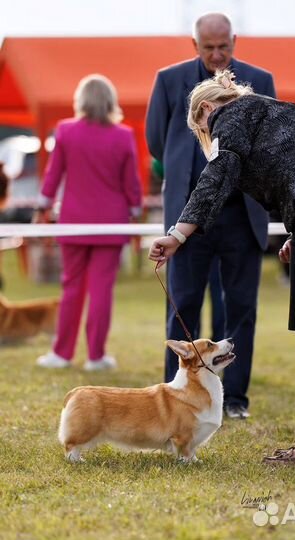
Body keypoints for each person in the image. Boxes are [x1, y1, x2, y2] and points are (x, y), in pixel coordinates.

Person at [149, 70, 295, 465]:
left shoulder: (229, 117)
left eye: (203, 128)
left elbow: (217, 177)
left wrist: (177, 235)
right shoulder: (278, 109)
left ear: (207, 109)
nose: (209, 135)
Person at [146, 13, 276, 419]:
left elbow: (270, 138)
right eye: (209, 48)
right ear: (195, 44)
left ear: (234, 41)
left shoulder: (261, 80)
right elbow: (155, 140)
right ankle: (177, 396)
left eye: (225, 47)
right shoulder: (169, 80)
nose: (218, 56)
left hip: (242, 216)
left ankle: (235, 399)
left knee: (240, 308)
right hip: (188, 218)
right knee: (182, 306)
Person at [35, 74, 142, 370]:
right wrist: (135, 208)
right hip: (111, 223)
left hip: (73, 222)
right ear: (111, 101)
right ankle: (95, 357)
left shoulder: (66, 131)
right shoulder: (123, 135)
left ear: (80, 100)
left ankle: (61, 353)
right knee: (101, 291)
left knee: (71, 289)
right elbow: (131, 181)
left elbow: (53, 174)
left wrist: (43, 205)